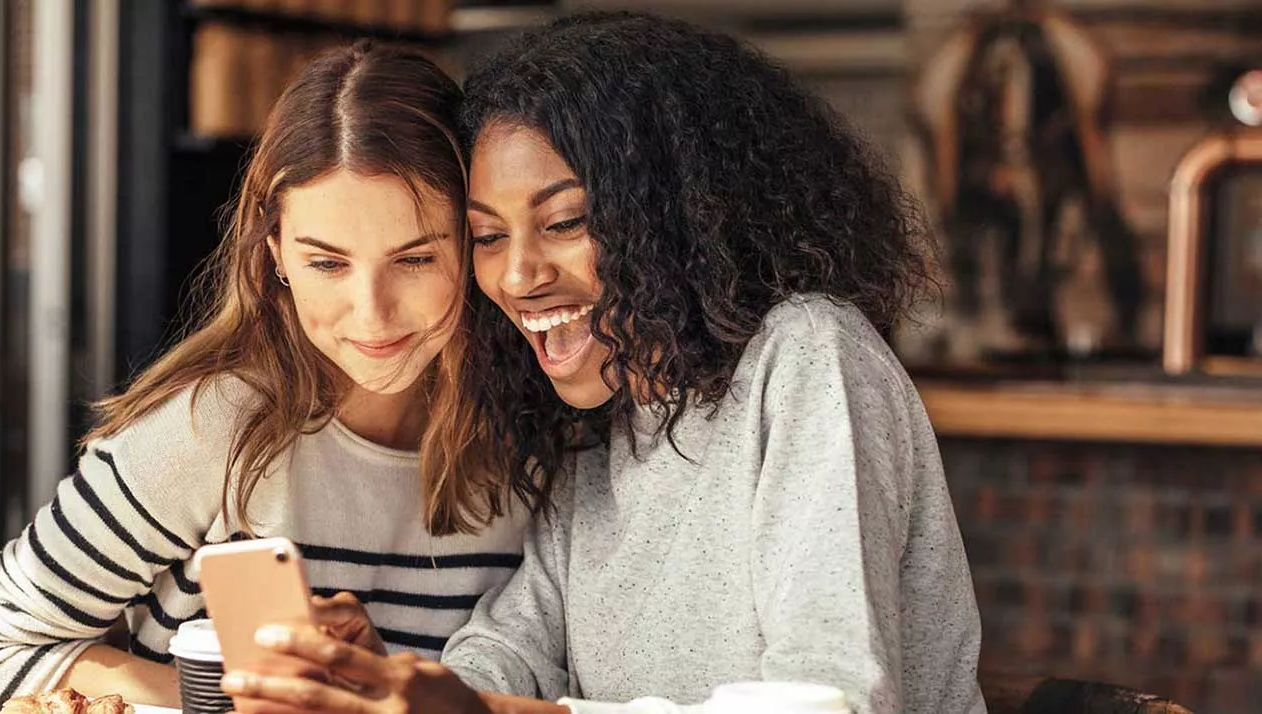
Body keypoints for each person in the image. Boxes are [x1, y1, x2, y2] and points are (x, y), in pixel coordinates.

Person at [221, 13, 987, 714]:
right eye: (488, 237)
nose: (518, 276)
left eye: (564, 222)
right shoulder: (601, 421)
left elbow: (828, 698)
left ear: (681, 214)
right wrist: (387, 685)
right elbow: (513, 647)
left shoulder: (807, 357)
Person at [0, 42, 530, 712]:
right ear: (277, 258)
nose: (371, 313)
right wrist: (206, 697)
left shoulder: (535, 444)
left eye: (413, 259)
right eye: (327, 263)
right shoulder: (213, 430)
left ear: (475, 244)